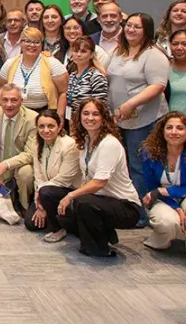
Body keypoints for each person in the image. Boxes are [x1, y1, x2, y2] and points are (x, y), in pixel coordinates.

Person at [57, 99, 141, 258]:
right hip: (101, 200)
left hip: (125, 206)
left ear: (104, 118)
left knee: (82, 202)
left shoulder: (109, 143)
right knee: (66, 211)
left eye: (95, 114)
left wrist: (70, 196)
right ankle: (105, 235)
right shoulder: (86, 141)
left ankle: (100, 249)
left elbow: (100, 182)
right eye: (86, 113)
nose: (90, 118)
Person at [106, 12, 169, 218]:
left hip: (144, 119)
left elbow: (158, 85)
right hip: (119, 119)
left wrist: (131, 103)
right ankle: (128, 208)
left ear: (146, 31)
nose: (131, 29)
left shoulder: (153, 54)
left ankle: (141, 213)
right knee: (122, 165)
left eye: (137, 27)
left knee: (138, 165)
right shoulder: (118, 51)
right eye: (129, 25)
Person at [140, 112, 186, 263]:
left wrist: (165, 190)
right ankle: (159, 240)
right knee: (168, 223)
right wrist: (177, 208)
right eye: (169, 128)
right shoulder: (149, 152)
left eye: (180, 128)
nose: (174, 132)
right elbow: (152, 188)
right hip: (163, 200)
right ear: (162, 131)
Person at [24, 109, 81, 243]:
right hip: (46, 191)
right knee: (31, 223)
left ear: (59, 126)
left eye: (51, 126)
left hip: (67, 190)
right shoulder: (36, 143)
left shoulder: (70, 145)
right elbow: (38, 174)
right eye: (41, 126)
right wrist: (40, 203)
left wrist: (41, 193)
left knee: (46, 193)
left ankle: (58, 228)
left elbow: (64, 179)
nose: (46, 130)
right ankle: (56, 217)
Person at [0, 85, 37, 211]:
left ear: (21, 101)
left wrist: (5, 165)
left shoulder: (33, 119)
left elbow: (29, 154)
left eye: (14, 100)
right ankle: (7, 192)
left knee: (26, 173)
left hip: (17, 166)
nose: (9, 104)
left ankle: (24, 205)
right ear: (0, 100)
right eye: (5, 100)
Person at [0, 27, 68, 119]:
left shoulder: (53, 64)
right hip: (16, 114)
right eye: (27, 41)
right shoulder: (9, 64)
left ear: (41, 45)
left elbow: (63, 92)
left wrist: (60, 116)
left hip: (44, 115)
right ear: (21, 43)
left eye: (36, 42)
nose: (32, 45)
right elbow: (3, 89)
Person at [65, 36, 108, 119]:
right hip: (74, 120)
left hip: (90, 120)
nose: (78, 54)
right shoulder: (72, 76)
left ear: (91, 54)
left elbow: (100, 106)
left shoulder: (96, 76)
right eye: (75, 51)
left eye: (83, 51)